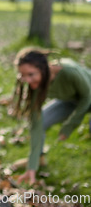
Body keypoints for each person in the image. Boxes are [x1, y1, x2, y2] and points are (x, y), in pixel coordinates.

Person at [13, 48, 91, 185]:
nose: (27, 80)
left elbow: (87, 97)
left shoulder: (68, 71)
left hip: (88, 96)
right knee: (39, 121)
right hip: (71, 100)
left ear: (43, 68)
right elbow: (36, 123)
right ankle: (39, 158)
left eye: (31, 74)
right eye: (23, 76)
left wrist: (69, 125)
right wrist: (31, 167)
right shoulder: (36, 85)